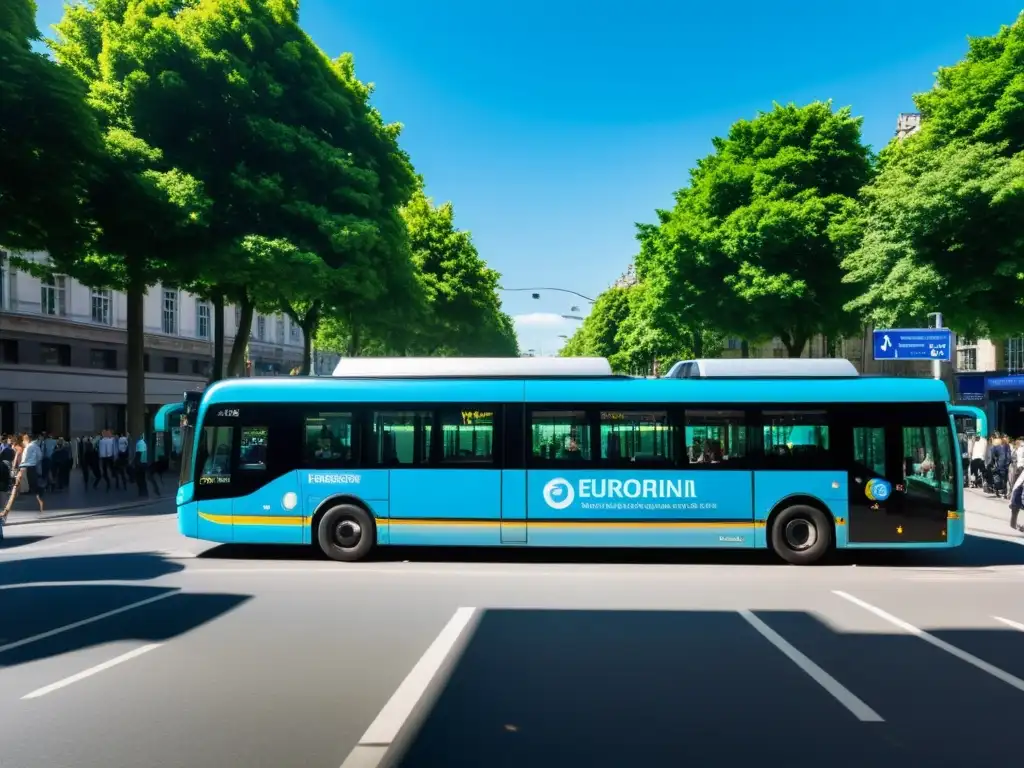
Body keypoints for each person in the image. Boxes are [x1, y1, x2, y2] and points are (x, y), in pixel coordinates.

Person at [16, 433, 45, 514]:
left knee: (30, 482)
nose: (22, 442)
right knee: (32, 482)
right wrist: (35, 462)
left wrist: (21, 465)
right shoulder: (35, 446)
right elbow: (40, 456)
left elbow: (24, 458)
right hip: (32, 466)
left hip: (26, 466)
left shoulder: (28, 447)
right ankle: (38, 491)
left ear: (26, 440)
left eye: (23, 440)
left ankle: (38, 490)